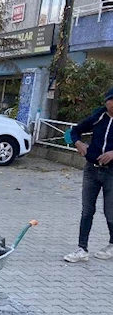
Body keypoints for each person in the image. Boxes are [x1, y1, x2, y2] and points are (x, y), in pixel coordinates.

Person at [63, 88, 113, 263]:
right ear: (106, 102)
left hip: (111, 173)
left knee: (110, 212)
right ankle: (82, 249)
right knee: (87, 210)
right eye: (111, 101)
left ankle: (112, 244)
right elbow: (74, 131)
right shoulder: (98, 116)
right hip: (91, 170)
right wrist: (78, 144)